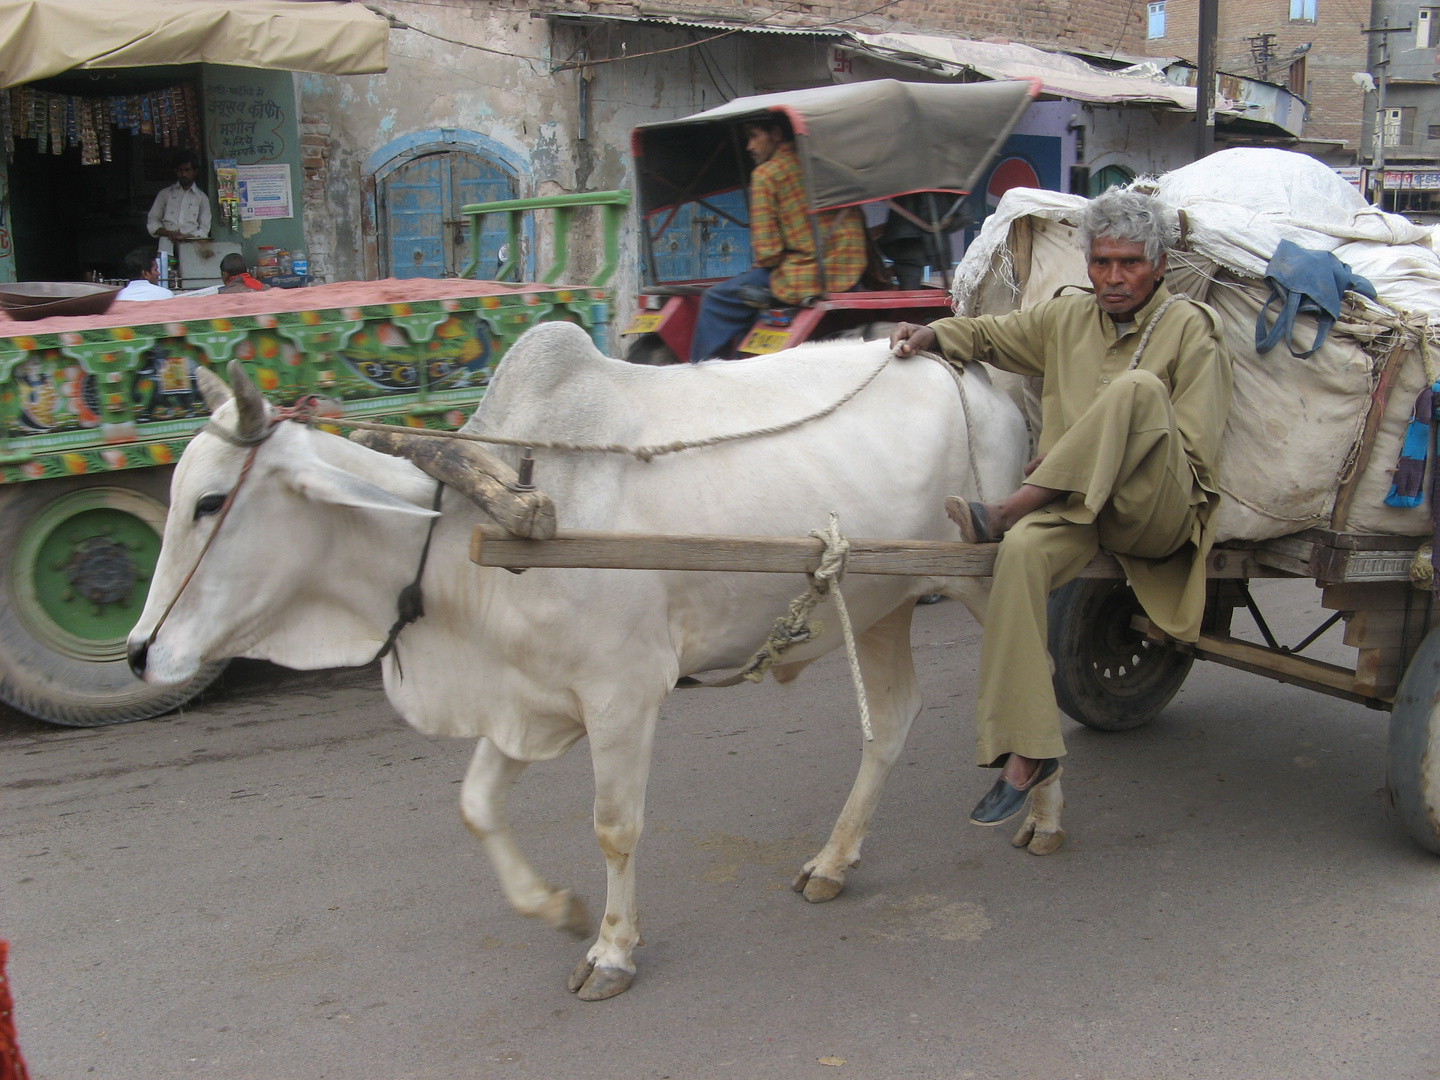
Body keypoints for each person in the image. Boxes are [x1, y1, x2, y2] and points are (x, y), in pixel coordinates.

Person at [890, 188, 1232, 829]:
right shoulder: (1066, 318)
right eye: (1102, 262)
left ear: (1158, 265)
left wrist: (1082, 460)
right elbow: (993, 335)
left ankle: (1015, 504)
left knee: (1137, 389)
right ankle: (1029, 751)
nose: (1114, 277)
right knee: (1016, 556)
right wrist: (934, 331)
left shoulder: (1191, 329)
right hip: (1077, 509)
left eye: (1130, 262)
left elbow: (1195, 453)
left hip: (1155, 510)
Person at [688, 118, 866, 361]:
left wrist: (764, 261)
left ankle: (704, 377)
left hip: (804, 275)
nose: (749, 146)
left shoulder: (768, 174)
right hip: (849, 272)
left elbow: (768, 252)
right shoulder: (827, 166)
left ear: (776, 133)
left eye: (754, 136)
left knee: (715, 300)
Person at [147, 150, 211, 257]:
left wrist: (187, 237)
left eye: (187, 170)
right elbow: (153, 220)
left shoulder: (202, 198)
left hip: (192, 249)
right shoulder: (165, 194)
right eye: (180, 170)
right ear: (176, 171)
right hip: (166, 247)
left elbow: (204, 229)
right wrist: (168, 233)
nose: (183, 174)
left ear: (195, 172)